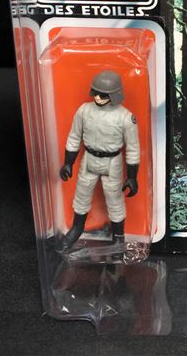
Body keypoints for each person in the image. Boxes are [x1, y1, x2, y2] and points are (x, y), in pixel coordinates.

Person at [59, 70, 140, 252]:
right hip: (89, 158)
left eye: (103, 95)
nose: (97, 97)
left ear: (114, 95)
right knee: (82, 194)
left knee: (114, 198)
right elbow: (74, 137)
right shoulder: (84, 110)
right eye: (95, 92)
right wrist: (68, 162)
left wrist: (132, 177)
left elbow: (133, 149)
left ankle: (118, 238)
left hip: (112, 162)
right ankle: (77, 228)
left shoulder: (125, 117)